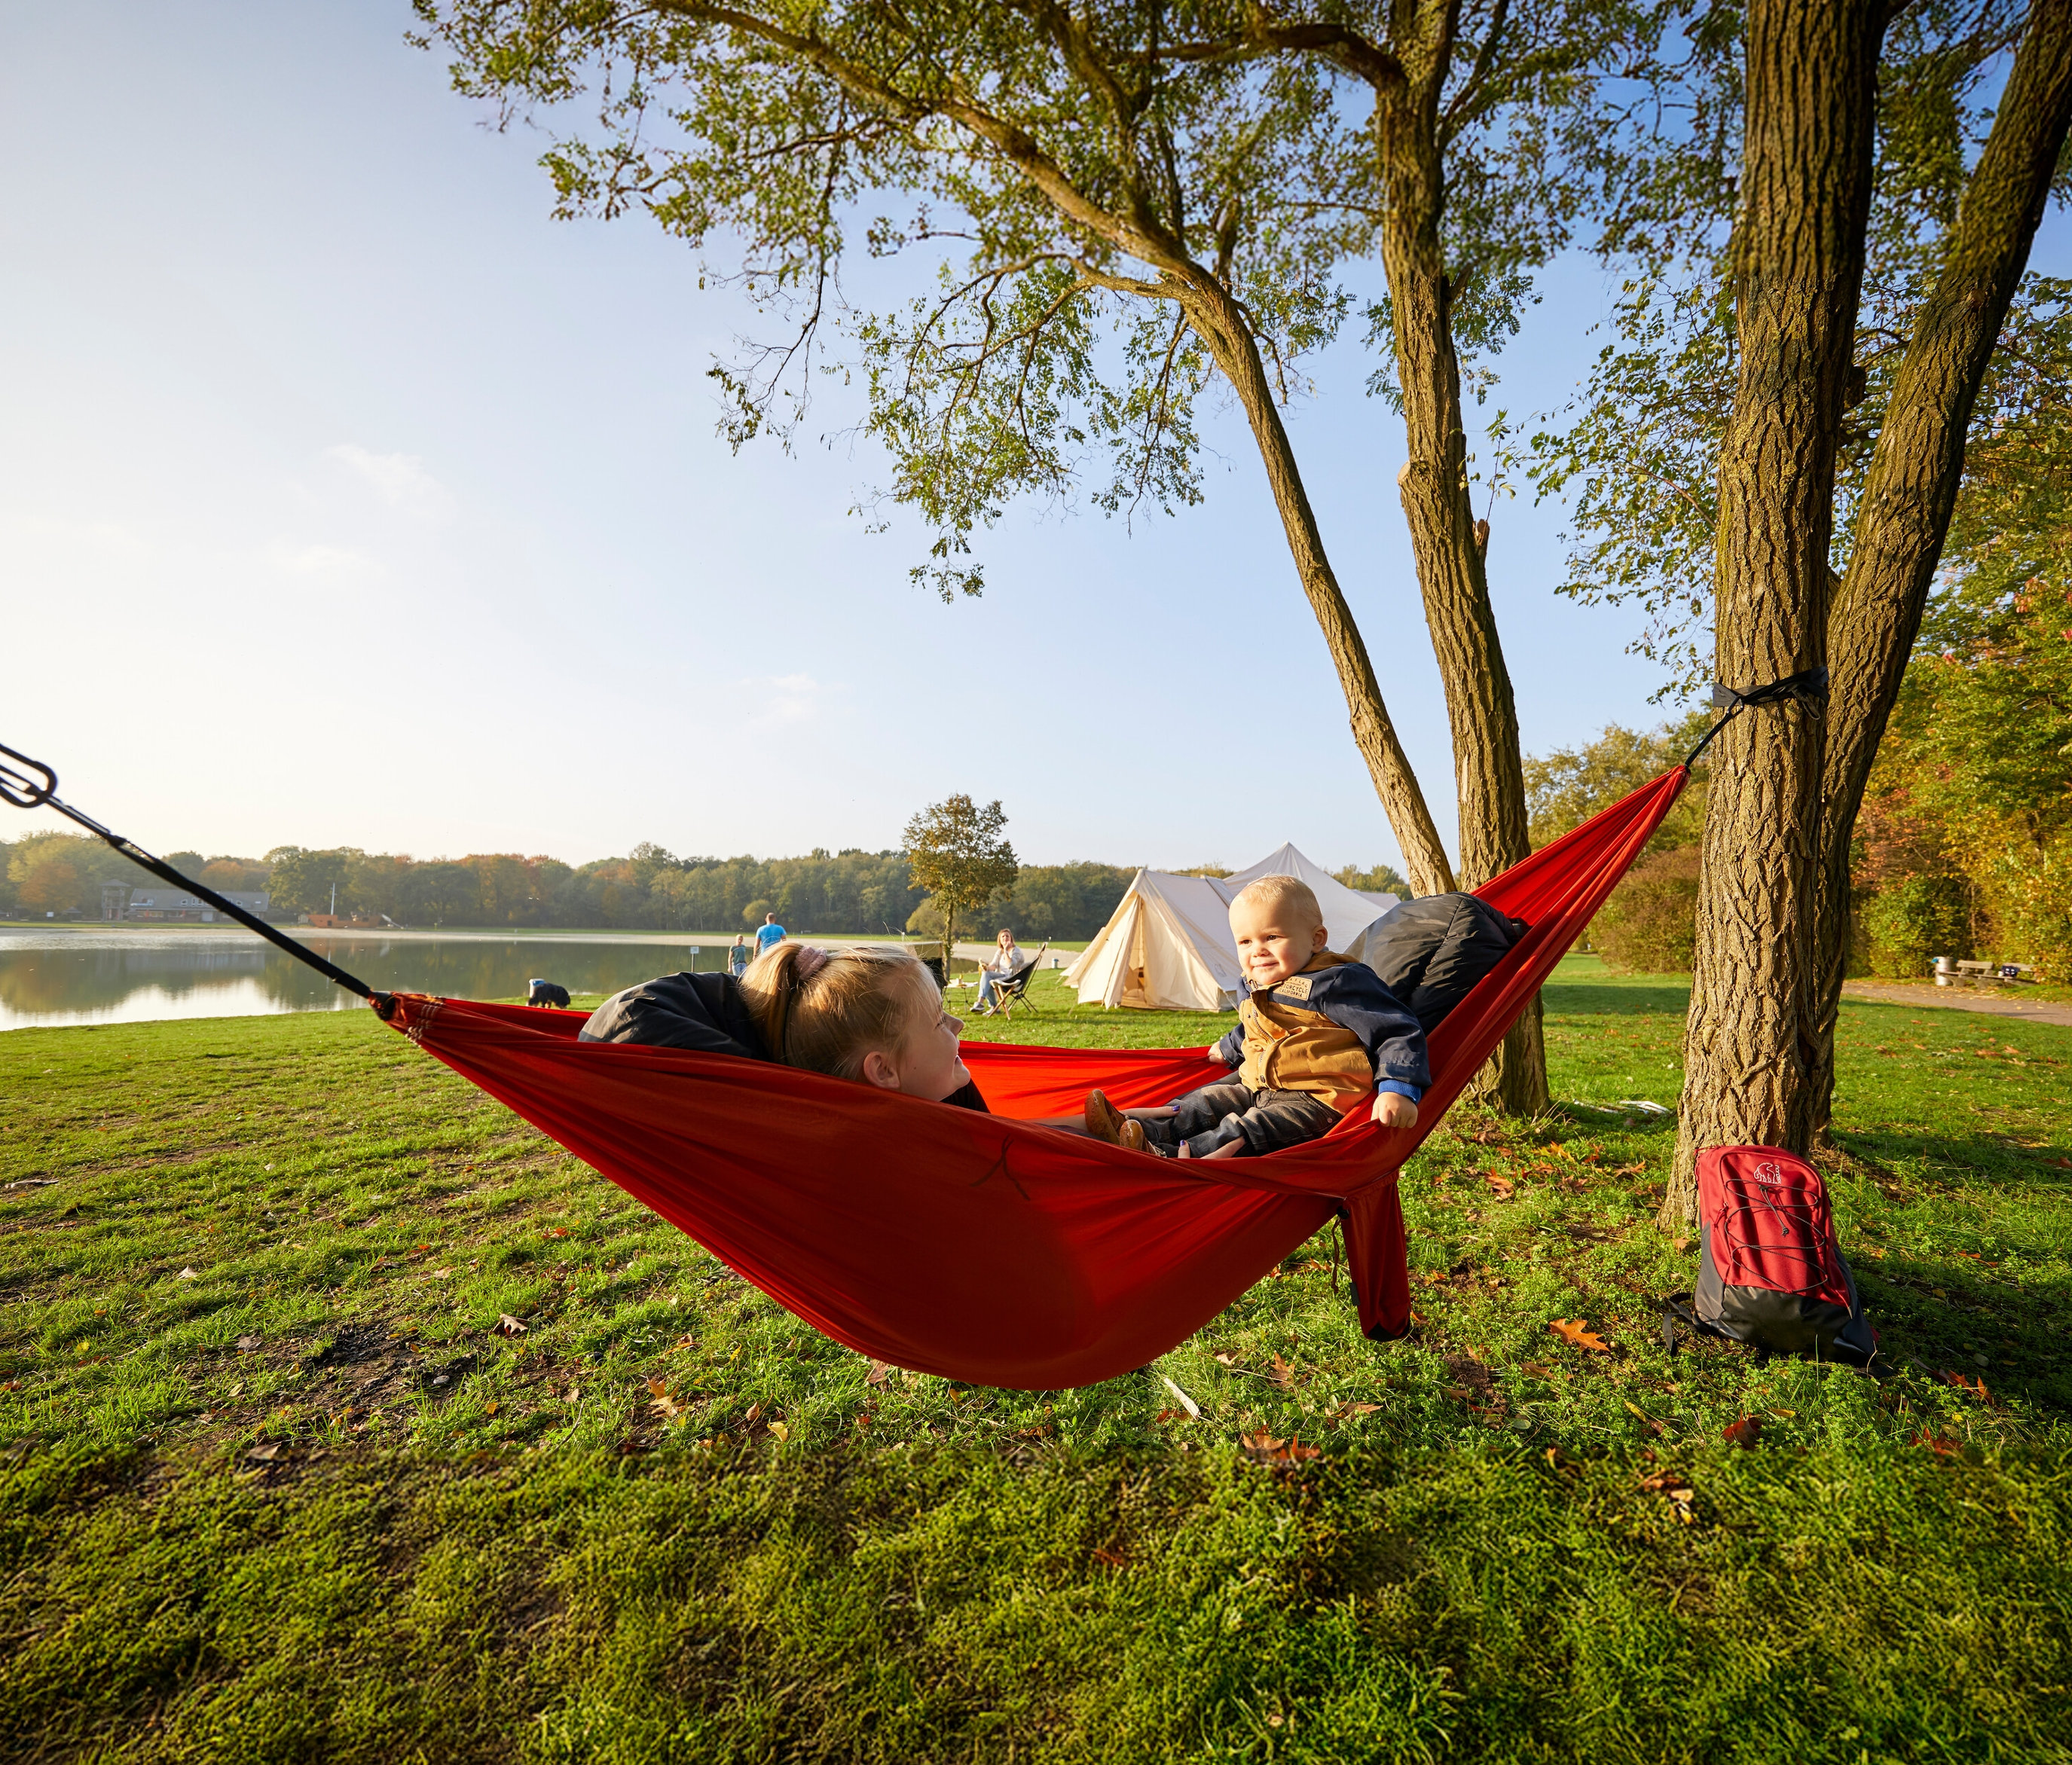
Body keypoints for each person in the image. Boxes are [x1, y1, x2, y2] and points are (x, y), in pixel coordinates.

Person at [1083, 875, 1426, 1159]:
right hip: (1256, 1082)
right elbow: (1254, 1026)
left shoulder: (1337, 981)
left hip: (1316, 1097)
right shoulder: (1255, 984)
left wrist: (1397, 1088)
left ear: (1316, 939)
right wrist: (1228, 1046)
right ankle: (1135, 1132)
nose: (1257, 950)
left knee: (1244, 1130)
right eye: (1245, 941)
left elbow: (1396, 1031)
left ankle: (1169, 1157)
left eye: (1272, 937)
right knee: (1202, 1102)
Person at [580, 941, 986, 1110]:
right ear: (882, 1070)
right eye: (938, 1021)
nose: (958, 1024)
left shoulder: (947, 1083)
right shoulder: (825, 1142)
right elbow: (624, 1023)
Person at [972, 927, 1026, 1012]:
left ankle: (993, 1007)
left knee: (989, 979)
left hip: (1013, 979)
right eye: (1003, 937)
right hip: (1003, 976)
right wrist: (986, 968)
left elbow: (1011, 965)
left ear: (1011, 938)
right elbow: (993, 965)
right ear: (1000, 940)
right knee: (986, 974)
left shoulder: (1016, 951)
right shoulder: (999, 951)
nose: (1005, 938)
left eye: (1007, 936)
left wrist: (1006, 951)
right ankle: (981, 1003)